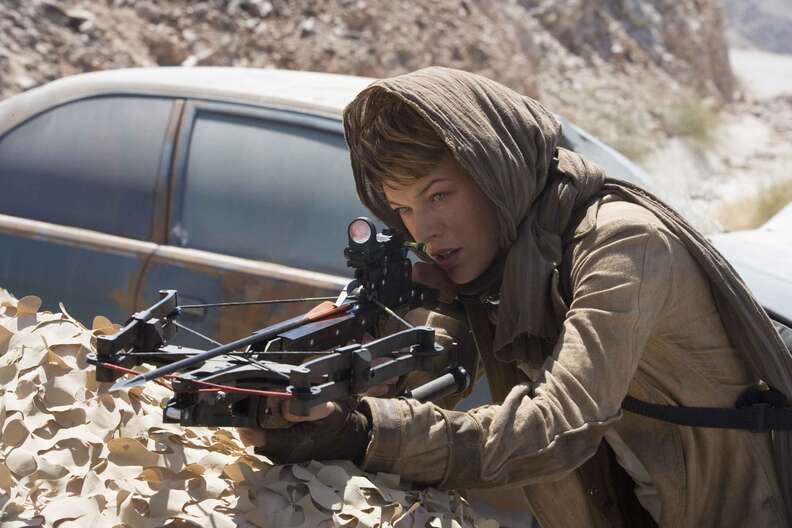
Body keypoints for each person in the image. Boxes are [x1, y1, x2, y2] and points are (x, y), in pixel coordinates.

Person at [240, 67, 792, 527]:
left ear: (494, 173)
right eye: (405, 209)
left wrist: (366, 432)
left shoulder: (623, 244)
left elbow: (559, 425)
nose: (424, 228)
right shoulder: (496, 262)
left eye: (438, 194)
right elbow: (433, 389)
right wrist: (348, 379)